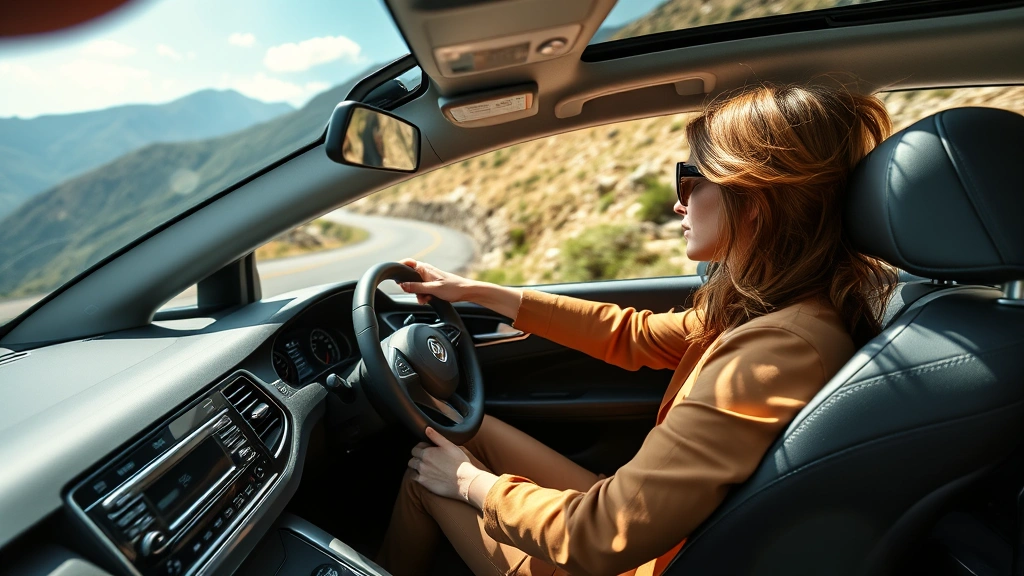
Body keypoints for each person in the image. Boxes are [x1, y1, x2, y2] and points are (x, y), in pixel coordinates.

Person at [374, 82, 897, 576]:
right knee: (453, 428)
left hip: (639, 562)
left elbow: (599, 535)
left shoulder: (780, 349)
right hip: (652, 533)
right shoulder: (780, 311)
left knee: (430, 477)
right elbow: (633, 335)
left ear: (755, 202)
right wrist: (476, 292)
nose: (677, 203)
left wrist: (468, 483)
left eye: (691, 180)